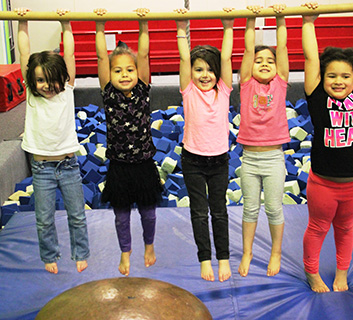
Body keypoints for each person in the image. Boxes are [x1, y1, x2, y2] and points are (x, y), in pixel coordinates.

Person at [302, 0, 353, 292]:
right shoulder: (318, 99)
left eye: (345, 76)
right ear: (321, 79)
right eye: (332, 76)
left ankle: (342, 273)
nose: (339, 81)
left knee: (346, 228)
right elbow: (312, 58)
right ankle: (312, 273)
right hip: (324, 183)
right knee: (318, 228)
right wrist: (308, 22)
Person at [16, 8, 90, 274]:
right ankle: (50, 255)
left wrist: (66, 24)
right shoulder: (32, 95)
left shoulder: (66, 91)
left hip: (69, 166)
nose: (46, 85)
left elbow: (69, 55)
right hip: (42, 169)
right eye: (39, 81)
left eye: (51, 80)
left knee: (77, 216)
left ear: (63, 79)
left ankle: (80, 253)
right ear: (32, 82)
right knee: (44, 219)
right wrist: (21, 22)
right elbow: (25, 55)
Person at [95, 8, 163, 277]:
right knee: (121, 216)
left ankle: (149, 246)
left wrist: (143, 24)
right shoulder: (108, 93)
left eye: (130, 69)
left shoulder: (143, 90)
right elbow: (102, 55)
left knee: (149, 214)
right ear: (109, 74)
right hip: (119, 167)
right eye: (118, 70)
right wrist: (99, 26)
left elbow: (144, 54)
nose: (124, 74)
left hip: (144, 163)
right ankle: (125, 251)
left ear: (138, 72)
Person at [175, 8, 234, 282]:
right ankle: (205, 259)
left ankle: (223, 258)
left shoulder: (224, 90)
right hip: (193, 160)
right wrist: (181, 27)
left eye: (210, 70)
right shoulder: (188, 91)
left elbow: (226, 57)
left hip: (219, 160)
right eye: (199, 70)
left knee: (219, 210)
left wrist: (228, 26)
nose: (204, 74)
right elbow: (184, 56)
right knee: (199, 212)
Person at [236, 5, 289, 278]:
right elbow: (247, 51)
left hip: (273, 158)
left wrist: (280, 18)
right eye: (259, 60)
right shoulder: (246, 83)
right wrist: (251, 19)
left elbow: (282, 49)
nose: (265, 63)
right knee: (250, 207)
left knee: (274, 207)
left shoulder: (280, 83)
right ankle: (247, 252)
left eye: (270, 60)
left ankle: (276, 252)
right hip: (249, 158)